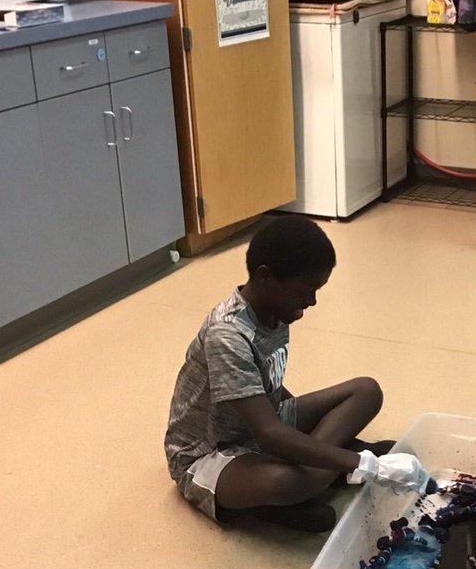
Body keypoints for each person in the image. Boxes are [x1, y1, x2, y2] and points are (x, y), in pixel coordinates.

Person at [165, 215, 432, 533]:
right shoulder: (228, 334)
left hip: (260, 425)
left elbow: (268, 389)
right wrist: (367, 464)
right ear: (266, 278)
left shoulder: (276, 309)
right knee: (288, 482)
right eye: (305, 290)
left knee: (366, 391)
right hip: (210, 453)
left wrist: (306, 428)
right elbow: (269, 433)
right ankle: (306, 481)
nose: (313, 300)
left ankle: (321, 469)